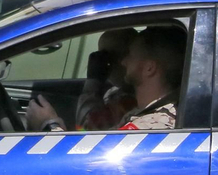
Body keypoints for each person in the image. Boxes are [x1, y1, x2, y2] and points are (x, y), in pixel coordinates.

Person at [26, 25, 182, 132]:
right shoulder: (143, 112)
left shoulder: (150, 126)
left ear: (149, 68)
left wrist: (49, 125)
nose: (123, 62)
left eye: (131, 56)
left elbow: (89, 165)